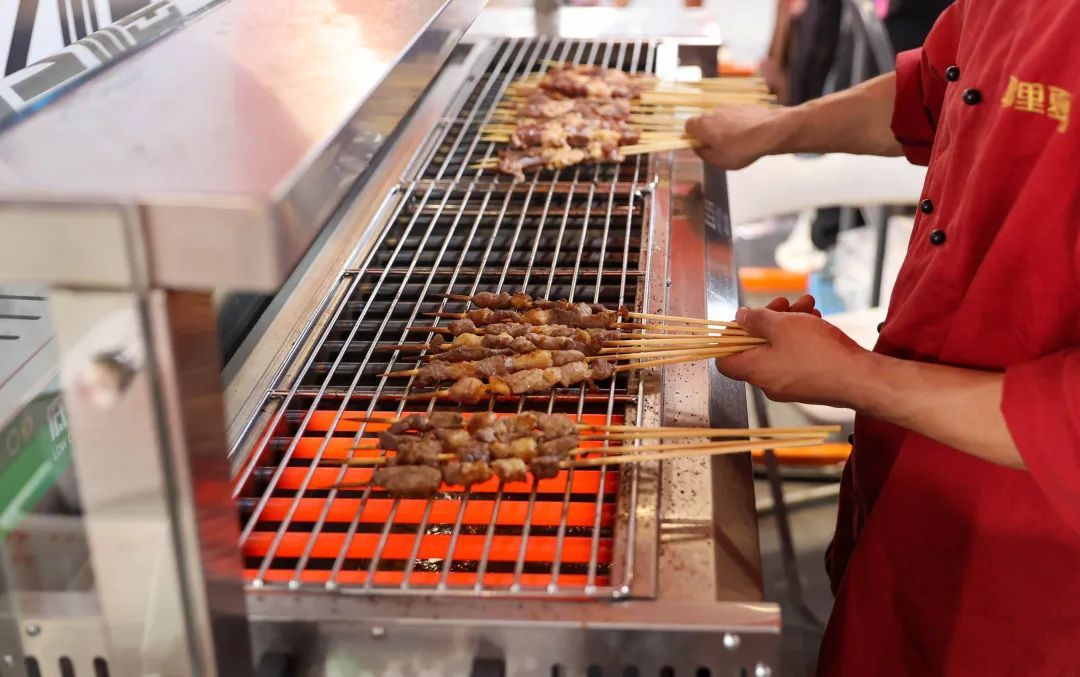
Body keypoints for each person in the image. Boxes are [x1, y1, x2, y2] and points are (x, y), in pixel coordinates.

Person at [687, 1, 1080, 674]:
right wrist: (776, 129)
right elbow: (937, 89)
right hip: (902, 484)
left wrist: (852, 377)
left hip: (1030, 569)